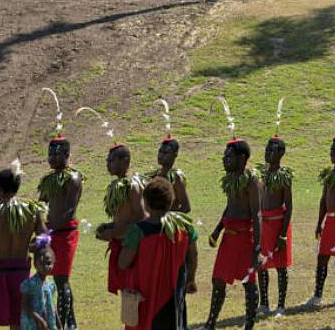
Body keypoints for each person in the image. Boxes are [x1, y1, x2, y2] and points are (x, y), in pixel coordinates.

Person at [118, 177, 199, 330]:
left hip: (145, 297)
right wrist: (191, 279)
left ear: (146, 203)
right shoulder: (185, 227)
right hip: (174, 293)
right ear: (171, 201)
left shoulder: (138, 231)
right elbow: (193, 255)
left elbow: (123, 263)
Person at [0, 164, 47, 330]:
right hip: (21, 273)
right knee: (19, 322)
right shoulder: (32, 211)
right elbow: (45, 238)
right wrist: (31, 245)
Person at [204, 138, 262, 330]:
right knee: (218, 280)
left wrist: (257, 246)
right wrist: (217, 229)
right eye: (224, 156)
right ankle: (210, 324)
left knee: (248, 282)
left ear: (242, 157)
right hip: (229, 237)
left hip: (246, 237)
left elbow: (257, 214)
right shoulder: (230, 180)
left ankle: (249, 326)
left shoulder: (252, 180)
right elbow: (230, 207)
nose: (224, 159)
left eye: (229, 156)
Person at [37, 135, 83, 330]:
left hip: (65, 234)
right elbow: (41, 203)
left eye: (56, 154)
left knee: (62, 279)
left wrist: (48, 231)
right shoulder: (49, 180)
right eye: (49, 154)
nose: (52, 158)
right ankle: (70, 324)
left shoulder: (73, 178)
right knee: (56, 278)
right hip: (52, 232)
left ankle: (64, 324)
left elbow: (69, 211)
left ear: (67, 154)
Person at [306, 135, 335, 307]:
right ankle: (317, 295)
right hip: (330, 222)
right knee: (322, 257)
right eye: (331, 150)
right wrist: (319, 222)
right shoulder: (329, 173)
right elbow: (323, 199)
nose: (331, 153)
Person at [97, 144, 147, 297]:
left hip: (131, 246)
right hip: (121, 243)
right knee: (127, 294)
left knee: (134, 293)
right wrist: (108, 227)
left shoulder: (132, 186)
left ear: (124, 161)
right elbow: (124, 218)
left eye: (111, 160)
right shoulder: (117, 186)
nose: (107, 163)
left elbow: (141, 218)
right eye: (107, 160)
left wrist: (114, 232)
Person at [255, 137, 293, 317]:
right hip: (264, 224)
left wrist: (283, 234)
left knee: (280, 266)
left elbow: (289, 206)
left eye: (272, 150)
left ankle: (281, 305)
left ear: (280, 153)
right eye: (266, 149)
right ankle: (264, 303)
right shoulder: (261, 174)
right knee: (261, 263)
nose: (267, 152)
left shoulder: (284, 176)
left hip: (278, 224)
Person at [20, 234, 59, 330]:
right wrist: (39, 319)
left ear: (54, 263)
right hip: (32, 324)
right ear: (35, 264)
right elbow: (25, 305)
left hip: (47, 323)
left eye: (49, 263)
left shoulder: (50, 285)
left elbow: (51, 304)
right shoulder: (29, 284)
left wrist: (57, 320)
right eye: (41, 263)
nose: (45, 266)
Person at [147, 135, 191, 213]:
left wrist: (166, 216)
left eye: (165, 153)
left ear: (175, 154)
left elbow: (186, 207)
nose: (161, 155)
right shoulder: (154, 174)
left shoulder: (176, 177)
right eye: (160, 151)